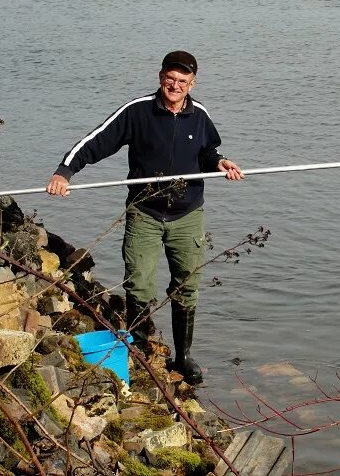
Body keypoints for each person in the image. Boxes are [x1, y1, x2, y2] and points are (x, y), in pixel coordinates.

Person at [46, 50, 243, 384]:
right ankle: (137, 348)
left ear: (192, 83)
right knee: (139, 284)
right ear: (160, 76)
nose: (175, 85)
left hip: (188, 215)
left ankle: (183, 358)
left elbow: (209, 150)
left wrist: (220, 162)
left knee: (186, 286)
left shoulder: (200, 116)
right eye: (171, 78)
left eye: (183, 81)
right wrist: (65, 172)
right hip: (145, 213)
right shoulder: (137, 111)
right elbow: (96, 141)